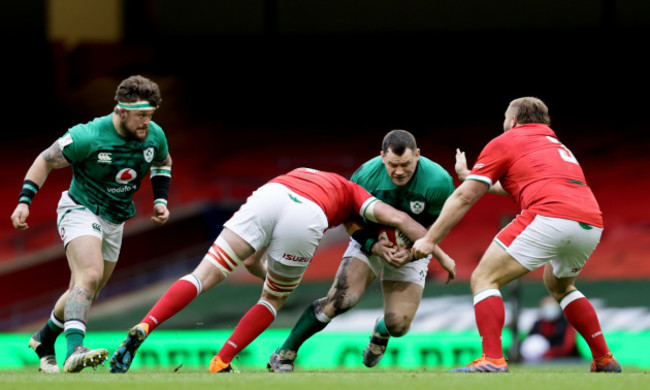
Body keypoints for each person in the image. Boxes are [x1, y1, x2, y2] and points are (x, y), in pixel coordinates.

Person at [109, 167, 435, 374]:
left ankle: (145, 324)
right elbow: (402, 220)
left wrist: (269, 272)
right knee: (272, 302)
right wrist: (442, 256)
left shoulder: (310, 171)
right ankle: (220, 361)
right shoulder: (356, 193)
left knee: (202, 275)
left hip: (272, 192)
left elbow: (252, 261)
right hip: (306, 214)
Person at [412, 97, 621, 373]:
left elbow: (464, 197)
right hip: (590, 222)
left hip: (549, 216)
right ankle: (604, 358)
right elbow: (522, 185)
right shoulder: (557, 146)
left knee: (484, 278)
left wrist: (430, 239)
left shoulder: (507, 140)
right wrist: (473, 175)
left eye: (504, 119)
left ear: (512, 121)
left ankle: (492, 359)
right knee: (560, 287)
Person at [10, 75, 172, 374]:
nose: (146, 123)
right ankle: (75, 350)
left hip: (116, 218)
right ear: (120, 111)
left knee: (88, 288)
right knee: (90, 274)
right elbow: (45, 159)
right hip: (81, 208)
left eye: (150, 115)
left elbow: (163, 162)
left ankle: (44, 339)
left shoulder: (154, 135)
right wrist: (24, 201)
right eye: (140, 116)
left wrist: (160, 200)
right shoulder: (88, 136)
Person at [267, 130, 456, 373]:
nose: (398, 171)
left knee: (398, 325)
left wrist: (412, 252)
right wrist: (373, 245)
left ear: (418, 155)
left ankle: (381, 330)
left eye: (406, 164)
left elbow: (440, 225)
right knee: (341, 299)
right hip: (370, 242)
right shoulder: (366, 175)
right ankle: (284, 353)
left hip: (414, 247)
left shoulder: (438, 181)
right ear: (382, 158)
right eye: (392, 165)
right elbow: (349, 218)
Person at [519, 296, 579, 363]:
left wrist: (549, 353)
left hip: (563, 361)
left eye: (552, 304)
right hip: (537, 362)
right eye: (546, 305)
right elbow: (530, 345)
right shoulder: (537, 324)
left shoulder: (565, 324)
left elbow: (567, 347)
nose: (549, 308)